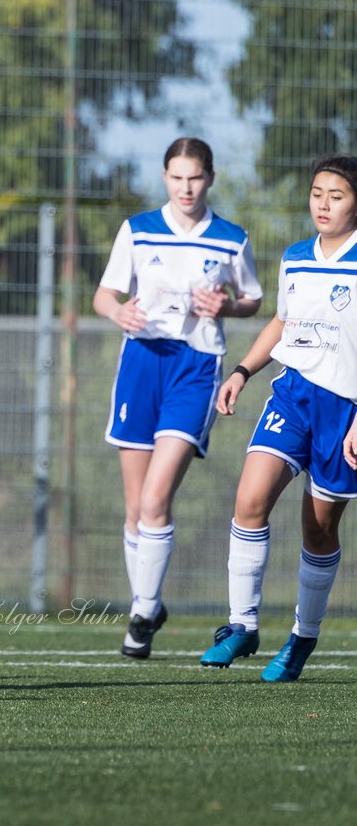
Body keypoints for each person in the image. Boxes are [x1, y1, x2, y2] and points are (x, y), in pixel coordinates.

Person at [93, 136, 261, 659]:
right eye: (176, 177)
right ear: (164, 177)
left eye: (195, 177)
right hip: (141, 363)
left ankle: (141, 615)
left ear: (210, 178)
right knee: (134, 506)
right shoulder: (138, 229)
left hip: (196, 367)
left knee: (155, 499)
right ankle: (147, 603)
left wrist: (227, 306)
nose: (186, 187)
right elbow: (105, 294)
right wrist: (117, 312)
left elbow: (252, 299)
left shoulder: (230, 238)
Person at [201, 154, 357, 682]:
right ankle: (241, 626)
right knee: (250, 499)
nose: (324, 204)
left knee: (318, 530)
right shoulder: (295, 257)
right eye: (318, 193)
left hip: (347, 410)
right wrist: (242, 371)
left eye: (336, 195)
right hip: (292, 395)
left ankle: (302, 639)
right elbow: (283, 322)